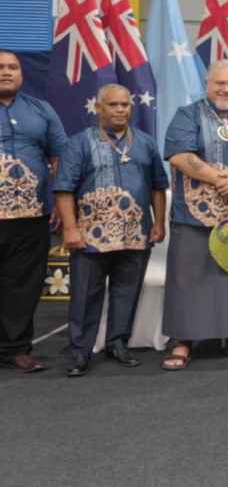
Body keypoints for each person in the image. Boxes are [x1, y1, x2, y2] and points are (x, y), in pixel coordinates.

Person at [53, 84, 168, 376]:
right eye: (113, 105)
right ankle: (80, 352)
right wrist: (70, 229)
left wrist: (158, 222)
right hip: (91, 236)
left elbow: (158, 186)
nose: (120, 110)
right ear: (99, 108)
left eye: (125, 105)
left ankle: (119, 344)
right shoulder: (77, 143)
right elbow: (64, 189)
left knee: (127, 291)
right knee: (84, 295)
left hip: (136, 233)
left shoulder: (145, 142)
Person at [160, 59, 228, 370]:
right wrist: (223, 179)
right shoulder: (187, 115)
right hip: (194, 216)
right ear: (207, 85)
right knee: (188, 277)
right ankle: (182, 340)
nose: (226, 88)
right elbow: (180, 155)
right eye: (219, 83)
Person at [0, 49, 68, 374]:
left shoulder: (42, 110)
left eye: (13, 67)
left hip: (31, 216)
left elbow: (59, 158)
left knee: (23, 284)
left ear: (22, 74)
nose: (6, 71)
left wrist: (60, 200)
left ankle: (16, 349)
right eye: (0, 67)